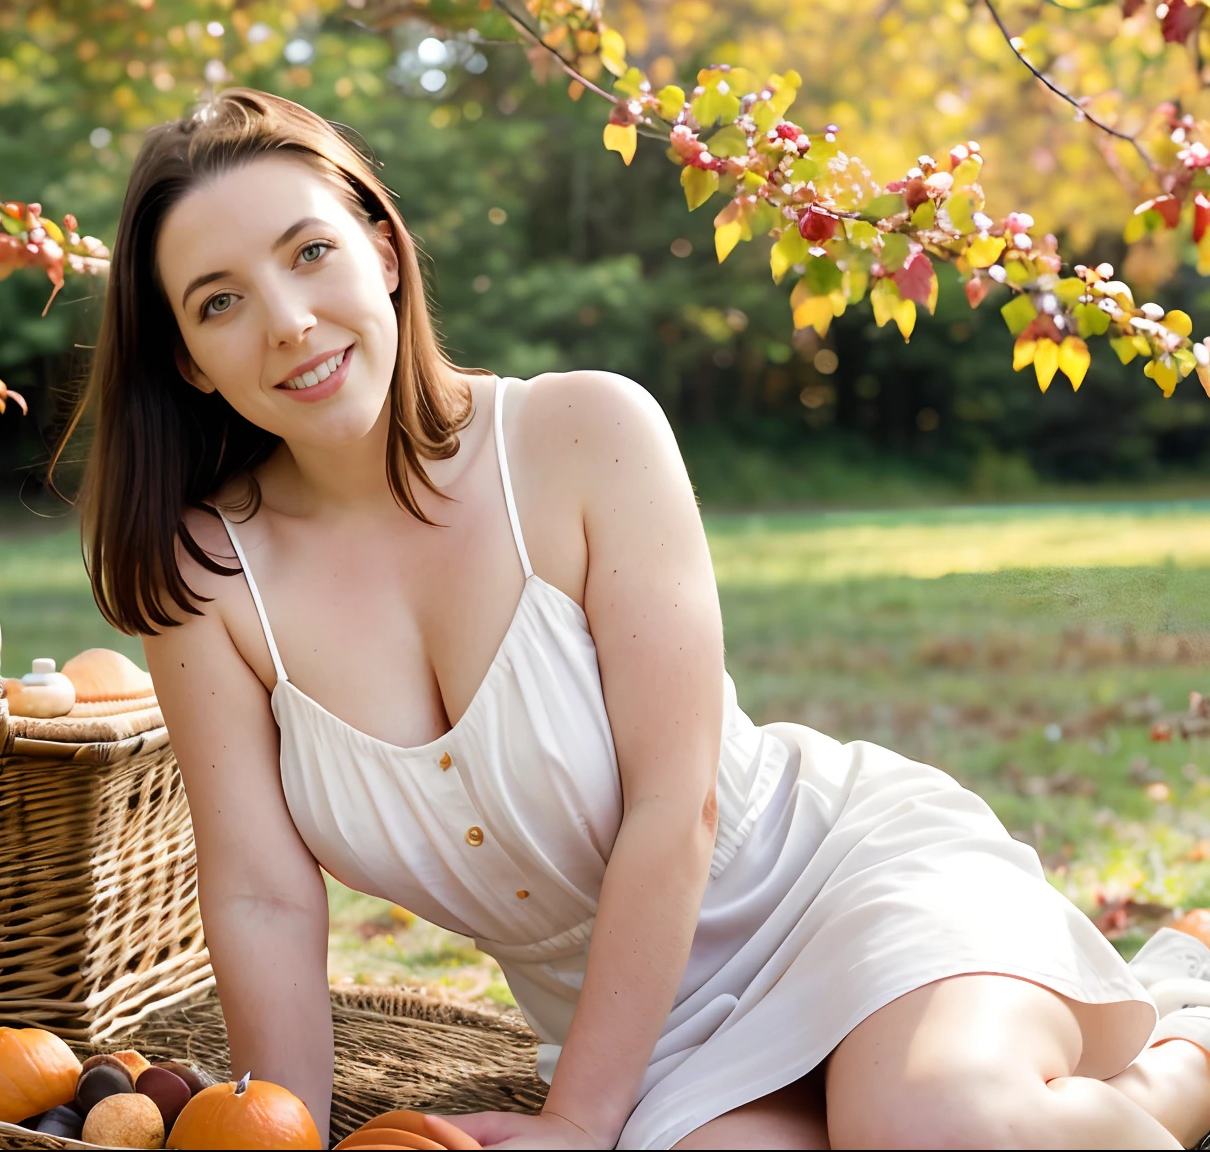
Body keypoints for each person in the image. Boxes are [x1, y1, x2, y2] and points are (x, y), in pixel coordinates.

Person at [60, 88, 1210, 1149]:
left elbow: (679, 800)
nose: (290, 323)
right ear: (190, 362)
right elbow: (262, 893)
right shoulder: (208, 576)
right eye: (222, 303)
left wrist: (578, 1121)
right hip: (651, 1023)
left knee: (936, 1120)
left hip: (835, 888)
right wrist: (281, 1130)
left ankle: (1181, 1046)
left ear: (385, 250)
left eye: (312, 253)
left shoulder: (582, 436)